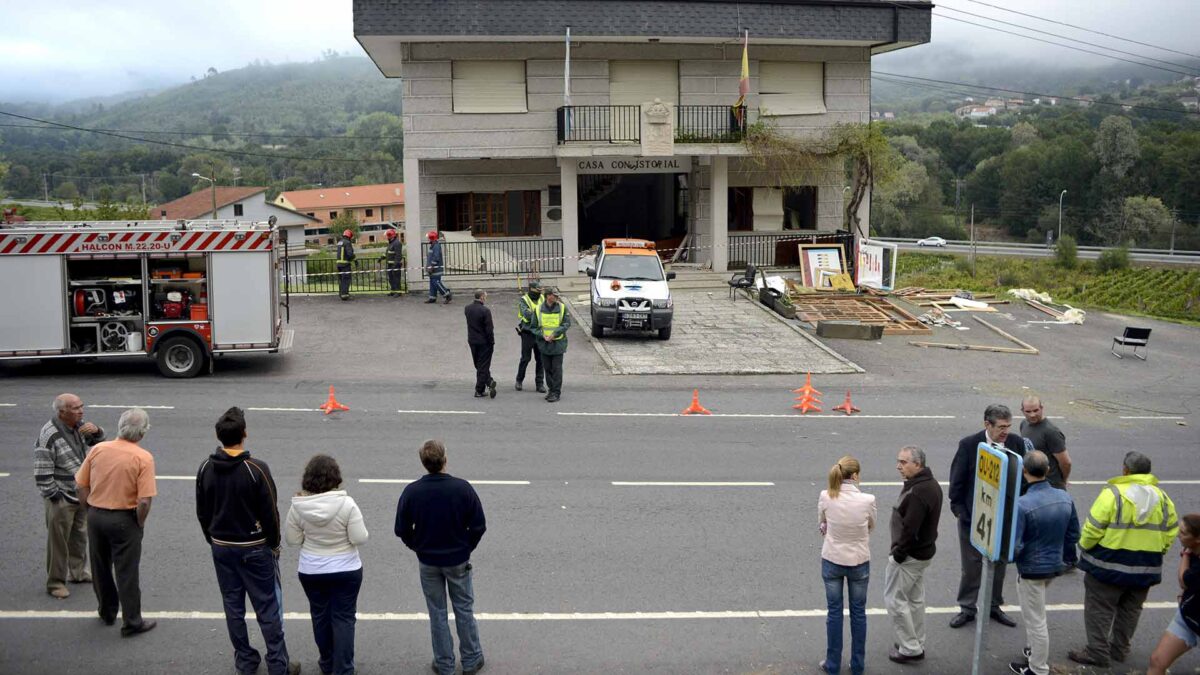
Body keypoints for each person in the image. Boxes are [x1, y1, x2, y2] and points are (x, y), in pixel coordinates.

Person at [196, 407, 300, 675]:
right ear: (244, 434)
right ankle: (279, 664)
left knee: (233, 607)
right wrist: (274, 544)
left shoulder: (206, 467)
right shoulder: (256, 469)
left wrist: (213, 539)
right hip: (254, 548)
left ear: (218, 437)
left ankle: (245, 660)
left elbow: (202, 511)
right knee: (267, 608)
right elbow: (271, 513)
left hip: (221, 547)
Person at [1069, 451, 1179, 667]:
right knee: (1131, 610)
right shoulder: (1163, 498)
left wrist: (1083, 546)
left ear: (1125, 470)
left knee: (1100, 608)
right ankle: (1119, 649)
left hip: (1107, 566)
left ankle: (1097, 652)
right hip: (1146, 568)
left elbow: (1093, 528)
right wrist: (1158, 552)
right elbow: (1171, 531)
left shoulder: (1113, 494)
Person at [396, 440, 487, 675]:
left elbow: (401, 529)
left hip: (428, 561)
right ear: (445, 460)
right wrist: (466, 547)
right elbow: (479, 525)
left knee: (437, 612)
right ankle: (471, 659)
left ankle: (444, 662)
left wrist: (417, 545)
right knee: (464, 609)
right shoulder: (462, 488)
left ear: (424, 463)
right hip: (458, 559)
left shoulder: (412, 491)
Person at [74, 407, 157, 637]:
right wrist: (138, 523)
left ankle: (107, 611)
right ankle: (132, 621)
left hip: (96, 515)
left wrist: (89, 509)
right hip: (124, 519)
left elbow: (81, 485)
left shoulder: (98, 449)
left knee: (100, 567)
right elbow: (144, 501)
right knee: (127, 571)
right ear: (142, 433)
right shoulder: (143, 458)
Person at [286, 455, 368, 675]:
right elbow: (359, 538)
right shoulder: (347, 504)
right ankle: (343, 669)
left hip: (312, 570)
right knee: (343, 618)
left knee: (320, 616)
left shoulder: (298, 506)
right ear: (336, 477)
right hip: (346, 569)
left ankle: (327, 662)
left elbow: (292, 540)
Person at [948, 403, 1027, 629]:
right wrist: (961, 513)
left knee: (1000, 565)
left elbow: (1023, 482)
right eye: (1001, 427)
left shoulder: (1016, 444)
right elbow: (957, 484)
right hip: (973, 520)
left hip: (1004, 521)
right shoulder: (969, 445)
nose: (1005, 432)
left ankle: (994, 605)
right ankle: (967, 608)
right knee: (971, 567)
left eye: (1008, 426)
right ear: (987, 425)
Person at [1008, 451, 1080, 675]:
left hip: (1031, 569)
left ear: (1024, 471)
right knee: (1036, 615)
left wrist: (1011, 558)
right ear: (1048, 470)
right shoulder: (1064, 497)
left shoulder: (1023, 504)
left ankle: (1038, 668)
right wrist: (1066, 558)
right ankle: (1033, 652)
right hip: (1054, 565)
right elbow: (1073, 534)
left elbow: (1016, 544)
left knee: (1035, 620)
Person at [35, 393, 105, 599]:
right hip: (61, 496)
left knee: (79, 536)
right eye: (75, 408)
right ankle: (55, 582)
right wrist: (54, 496)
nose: (81, 411)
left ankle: (78, 572)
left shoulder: (79, 427)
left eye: (81, 406)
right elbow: (41, 470)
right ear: (62, 412)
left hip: (80, 492)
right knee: (58, 542)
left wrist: (97, 431)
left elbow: (99, 444)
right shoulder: (48, 435)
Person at [817, 456, 876, 675]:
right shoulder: (867, 500)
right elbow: (871, 524)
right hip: (859, 561)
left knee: (834, 613)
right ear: (855, 475)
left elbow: (822, 522)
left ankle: (832, 664)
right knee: (858, 613)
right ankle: (857, 664)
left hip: (832, 559)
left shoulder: (826, 496)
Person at [886, 446, 942, 665]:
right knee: (915, 600)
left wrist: (898, 555)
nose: (899, 466)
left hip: (909, 557)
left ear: (917, 464)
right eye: (898, 461)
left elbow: (910, 529)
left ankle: (910, 647)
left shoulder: (918, 492)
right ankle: (916, 641)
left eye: (904, 462)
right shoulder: (930, 485)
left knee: (895, 600)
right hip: (922, 554)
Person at [1146, 513, 1200, 675]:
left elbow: (1184, 581)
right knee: (1157, 661)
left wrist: (1186, 554)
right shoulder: (1194, 551)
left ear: (1198, 539)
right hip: (1188, 616)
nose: (1178, 535)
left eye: (1183, 533)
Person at [529, 286, 571, 403]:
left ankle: (556, 392)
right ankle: (551, 390)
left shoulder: (562, 308)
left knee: (556, 369)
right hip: (544, 344)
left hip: (558, 344)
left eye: (557, 295)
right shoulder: (538, 309)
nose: (557, 297)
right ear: (548, 296)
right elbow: (533, 327)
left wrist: (555, 334)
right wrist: (543, 335)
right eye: (555, 295)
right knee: (547, 369)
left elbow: (566, 324)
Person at [1019, 396, 1071, 489]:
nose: (1032, 415)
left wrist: (1063, 480)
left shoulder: (1051, 432)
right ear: (1022, 411)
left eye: (1036, 410)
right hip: (1031, 483)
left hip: (1050, 485)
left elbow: (1065, 462)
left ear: (1042, 408)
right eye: (1028, 411)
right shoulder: (1024, 424)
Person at [514, 280, 545, 393]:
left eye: (541, 290)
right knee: (525, 359)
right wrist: (541, 315)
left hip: (539, 332)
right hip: (527, 333)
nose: (540, 292)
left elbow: (547, 311)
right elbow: (526, 314)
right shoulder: (524, 300)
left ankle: (540, 384)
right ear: (532, 290)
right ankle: (519, 380)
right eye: (538, 290)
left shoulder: (542, 298)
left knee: (540, 359)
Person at [465, 289, 497, 399]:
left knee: (479, 365)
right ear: (482, 297)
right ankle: (480, 389)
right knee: (483, 366)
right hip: (484, 342)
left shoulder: (467, 309)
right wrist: (492, 342)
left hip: (472, 341)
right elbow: (489, 329)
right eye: (485, 296)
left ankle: (487, 383)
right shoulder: (485, 311)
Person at [425, 230, 452, 304]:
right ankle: (432, 298)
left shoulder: (436, 246)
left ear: (432, 238)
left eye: (429, 238)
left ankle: (447, 294)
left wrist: (431, 267)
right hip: (433, 269)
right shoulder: (433, 246)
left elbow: (436, 258)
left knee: (436, 283)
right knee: (432, 283)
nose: (428, 240)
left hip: (436, 269)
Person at [336, 228, 356, 301]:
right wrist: (354, 258)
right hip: (345, 265)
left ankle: (341, 293)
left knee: (341, 280)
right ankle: (345, 295)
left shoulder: (340, 242)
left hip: (339, 265)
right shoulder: (347, 243)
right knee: (346, 280)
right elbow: (350, 254)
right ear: (349, 236)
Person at [385, 228, 404, 297]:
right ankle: (393, 291)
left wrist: (395, 264)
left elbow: (398, 255)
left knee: (396, 279)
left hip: (395, 265)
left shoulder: (397, 243)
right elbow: (388, 253)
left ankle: (398, 292)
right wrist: (382, 257)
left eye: (387, 236)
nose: (387, 237)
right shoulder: (391, 243)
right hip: (390, 265)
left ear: (391, 236)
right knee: (391, 279)